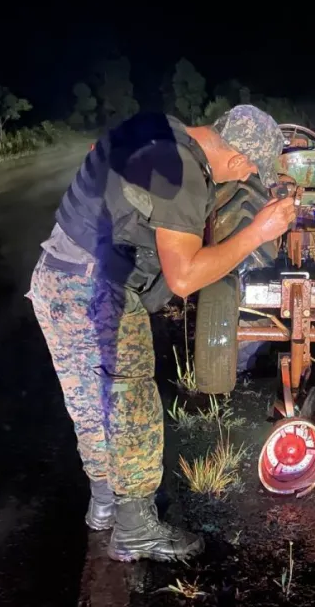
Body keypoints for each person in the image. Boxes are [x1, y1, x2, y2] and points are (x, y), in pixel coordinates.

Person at [27, 105, 293, 563]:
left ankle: (104, 504)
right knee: (132, 405)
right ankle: (135, 529)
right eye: (249, 169)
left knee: (90, 401)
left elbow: (100, 155)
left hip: (55, 275)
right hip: (99, 290)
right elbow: (185, 278)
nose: (246, 176)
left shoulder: (155, 127)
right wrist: (257, 232)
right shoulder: (186, 176)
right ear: (235, 161)